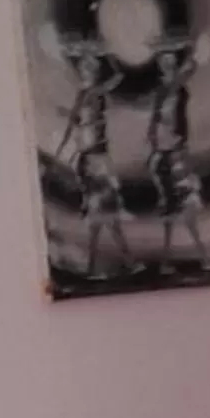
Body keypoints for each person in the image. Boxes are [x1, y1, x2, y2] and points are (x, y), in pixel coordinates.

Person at [56, 44, 130, 278]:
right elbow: (73, 124)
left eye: (91, 69)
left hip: (97, 159)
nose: (87, 73)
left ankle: (116, 262)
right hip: (89, 161)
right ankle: (107, 264)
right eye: (85, 69)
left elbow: (118, 77)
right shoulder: (82, 96)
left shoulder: (96, 92)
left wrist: (108, 55)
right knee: (101, 218)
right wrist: (64, 144)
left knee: (106, 217)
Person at [146, 41, 207, 264]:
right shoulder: (163, 90)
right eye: (165, 62)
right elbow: (155, 121)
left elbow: (190, 68)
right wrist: (154, 146)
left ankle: (198, 255)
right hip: (166, 151)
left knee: (185, 209)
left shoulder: (175, 86)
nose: (168, 66)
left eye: (171, 62)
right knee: (171, 210)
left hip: (175, 149)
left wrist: (189, 49)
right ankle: (170, 259)